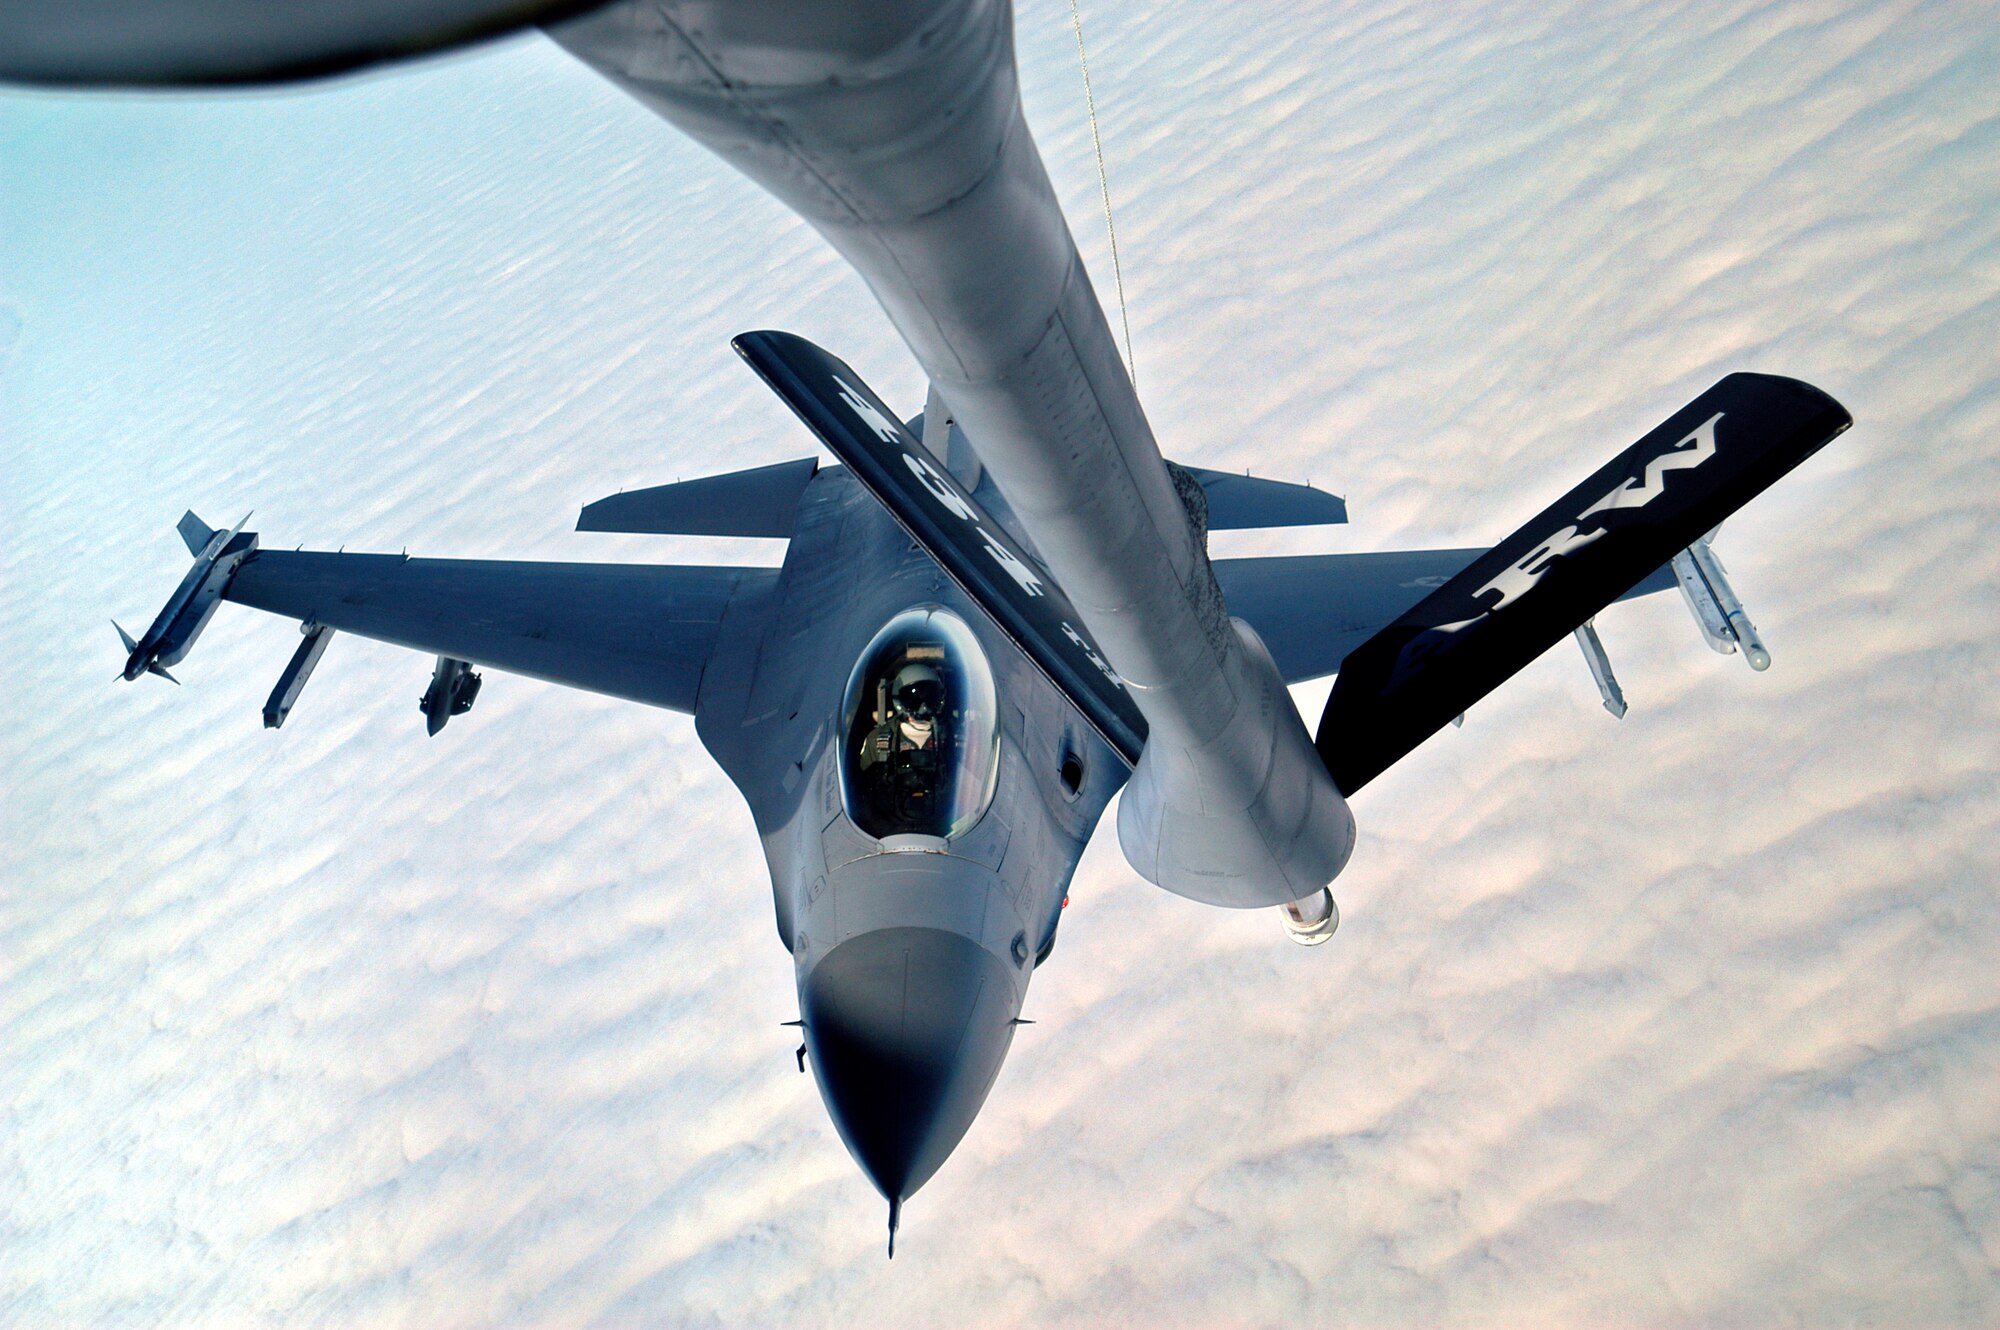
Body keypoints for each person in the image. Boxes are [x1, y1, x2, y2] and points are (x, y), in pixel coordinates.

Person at [856, 658, 949, 829]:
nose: (923, 707)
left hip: (942, 827)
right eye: (914, 698)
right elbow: (862, 792)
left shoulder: (953, 741)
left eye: (930, 697)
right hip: (890, 829)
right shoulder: (878, 740)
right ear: (900, 700)